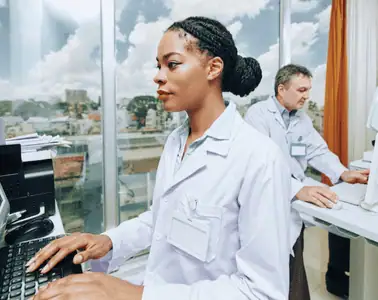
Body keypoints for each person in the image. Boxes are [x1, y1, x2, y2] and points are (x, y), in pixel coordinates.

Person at [28, 16, 292, 300]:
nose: (158, 76)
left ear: (213, 68)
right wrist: (108, 241)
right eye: (158, 65)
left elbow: (261, 292)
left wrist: (136, 295)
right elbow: (161, 219)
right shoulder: (177, 141)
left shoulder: (259, 158)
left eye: (172, 64)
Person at [244, 64, 370, 300]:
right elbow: (260, 167)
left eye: (308, 90)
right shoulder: (258, 116)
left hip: (294, 194)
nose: (306, 96)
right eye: (301, 90)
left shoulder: (301, 119)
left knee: (295, 261)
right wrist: (297, 189)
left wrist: (343, 173)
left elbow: (317, 151)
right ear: (282, 89)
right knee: (271, 271)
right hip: (266, 200)